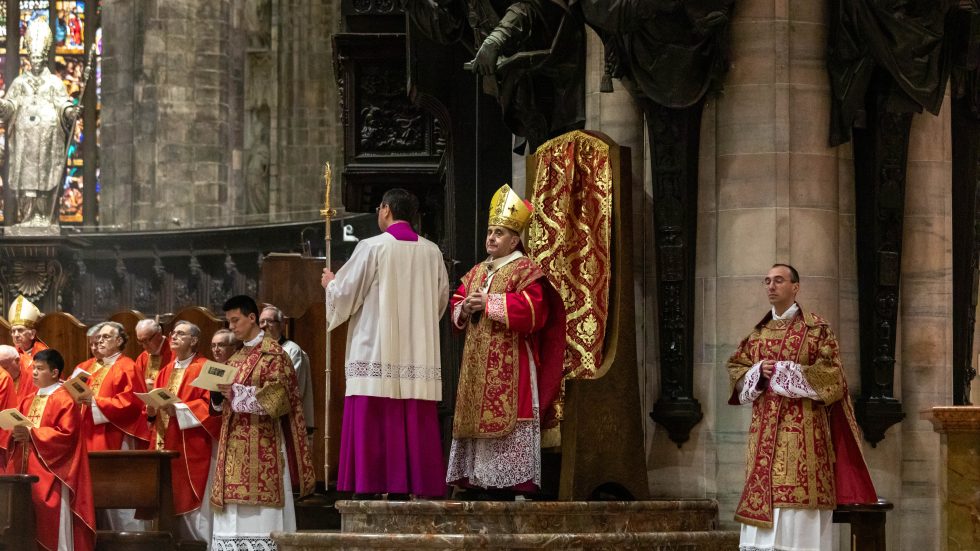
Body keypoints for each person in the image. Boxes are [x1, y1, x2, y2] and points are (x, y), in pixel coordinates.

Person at [727, 264, 878, 550]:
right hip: (762, 443)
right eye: (768, 281)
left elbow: (834, 379)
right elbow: (736, 369)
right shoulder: (757, 335)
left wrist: (787, 372)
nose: (771, 286)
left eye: (779, 280)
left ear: (795, 287)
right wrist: (757, 372)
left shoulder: (816, 330)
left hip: (805, 442)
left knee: (798, 524)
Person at [321, 188, 449, 499]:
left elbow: (346, 294)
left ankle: (368, 487)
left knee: (372, 414)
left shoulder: (372, 247)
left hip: (375, 345)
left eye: (379, 207)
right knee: (413, 415)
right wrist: (418, 328)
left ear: (387, 209)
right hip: (418, 353)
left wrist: (330, 284)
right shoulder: (432, 252)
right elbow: (441, 299)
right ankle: (409, 487)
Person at [446, 184, 565, 494]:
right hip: (476, 364)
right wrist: (464, 306)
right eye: (490, 231)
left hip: (511, 363)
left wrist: (488, 304)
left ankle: (512, 482)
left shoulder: (525, 269)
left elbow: (535, 311)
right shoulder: (476, 271)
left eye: (499, 233)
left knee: (508, 418)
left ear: (515, 239)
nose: (491, 238)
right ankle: (477, 479)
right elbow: (456, 304)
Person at [209, 295, 314, 549]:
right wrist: (216, 396)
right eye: (229, 322)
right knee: (230, 522)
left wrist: (235, 393)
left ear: (252, 317)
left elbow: (280, 399)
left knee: (261, 525)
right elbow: (223, 404)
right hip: (232, 453)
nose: (231, 327)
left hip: (263, 448)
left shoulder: (274, 355)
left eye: (235, 320)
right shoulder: (235, 357)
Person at [3, 348, 95, 551]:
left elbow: (66, 436)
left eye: (40, 369)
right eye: (34, 368)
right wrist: (15, 435)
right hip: (25, 472)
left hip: (53, 475)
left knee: (51, 527)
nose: (34, 373)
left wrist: (32, 435)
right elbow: (20, 429)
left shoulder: (64, 399)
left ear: (54, 373)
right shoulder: (28, 399)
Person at [0, 19, 79, 226]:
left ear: (44, 57)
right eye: (32, 57)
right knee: (26, 180)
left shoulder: (53, 82)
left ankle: (44, 217)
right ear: (28, 55)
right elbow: (10, 106)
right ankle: (27, 216)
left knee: (45, 177)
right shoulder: (19, 83)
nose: (35, 61)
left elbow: (63, 103)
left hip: (47, 144)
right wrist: (3, 106)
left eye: (39, 57)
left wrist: (70, 112)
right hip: (25, 144)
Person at [148, 320, 221, 545]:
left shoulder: (207, 367)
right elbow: (156, 409)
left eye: (181, 334)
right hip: (165, 443)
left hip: (192, 446)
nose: (174, 337)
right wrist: (151, 410)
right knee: (166, 503)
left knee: (196, 509)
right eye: (173, 334)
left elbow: (213, 409)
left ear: (194, 340)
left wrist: (178, 409)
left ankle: (205, 546)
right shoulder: (166, 370)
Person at [75, 321, 151, 531]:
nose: (99, 340)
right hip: (88, 436)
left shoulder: (127, 366)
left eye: (106, 337)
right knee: (95, 498)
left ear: (119, 341)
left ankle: (128, 540)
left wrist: (95, 402)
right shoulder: (88, 367)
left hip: (115, 437)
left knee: (118, 496)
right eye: (98, 337)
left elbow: (132, 403)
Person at [260, 305, 315, 435]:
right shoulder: (258, 352)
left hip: (288, 422)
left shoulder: (292, 351)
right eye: (261, 322)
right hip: (264, 420)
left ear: (282, 324)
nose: (264, 325)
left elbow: (289, 388)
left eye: (270, 321)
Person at [8, 294, 46, 403]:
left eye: (20, 330)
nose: (16, 334)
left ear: (32, 334)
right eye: (13, 331)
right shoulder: (10, 354)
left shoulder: (44, 354)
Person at [134, 319, 173, 389]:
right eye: (140, 341)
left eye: (146, 340)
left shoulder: (175, 354)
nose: (144, 346)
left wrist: (155, 385)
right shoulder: (143, 357)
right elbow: (135, 381)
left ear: (158, 335)